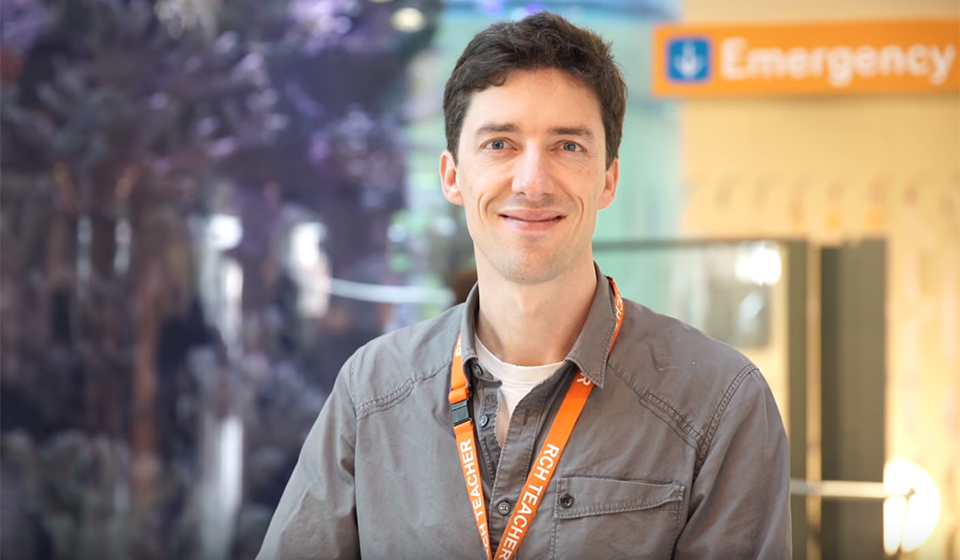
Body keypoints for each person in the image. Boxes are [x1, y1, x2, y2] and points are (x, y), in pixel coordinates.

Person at [257, 12, 791, 560]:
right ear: (451, 176)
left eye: (568, 146)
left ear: (607, 179)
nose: (532, 182)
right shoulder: (371, 392)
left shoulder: (720, 403)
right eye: (499, 144)